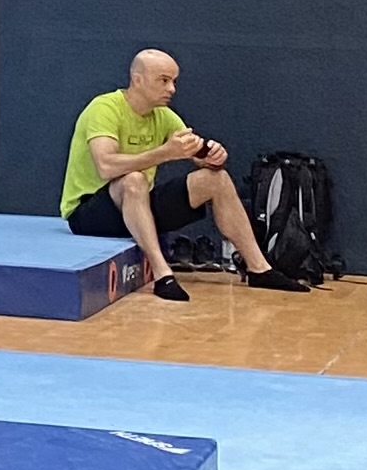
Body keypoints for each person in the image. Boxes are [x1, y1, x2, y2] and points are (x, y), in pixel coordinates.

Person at [63, 46, 305, 300]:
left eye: (174, 81)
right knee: (133, 180)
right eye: (163, 81)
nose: (172, 89)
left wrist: (213, 156)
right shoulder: (104, 109)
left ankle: (259, 268)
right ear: (138, 80)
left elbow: (196, 152)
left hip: (136, 206)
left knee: (216, 179)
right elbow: (106, 166)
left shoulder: (163, 116)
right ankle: (162, 274)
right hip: (89, 213)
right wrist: (165, 153)